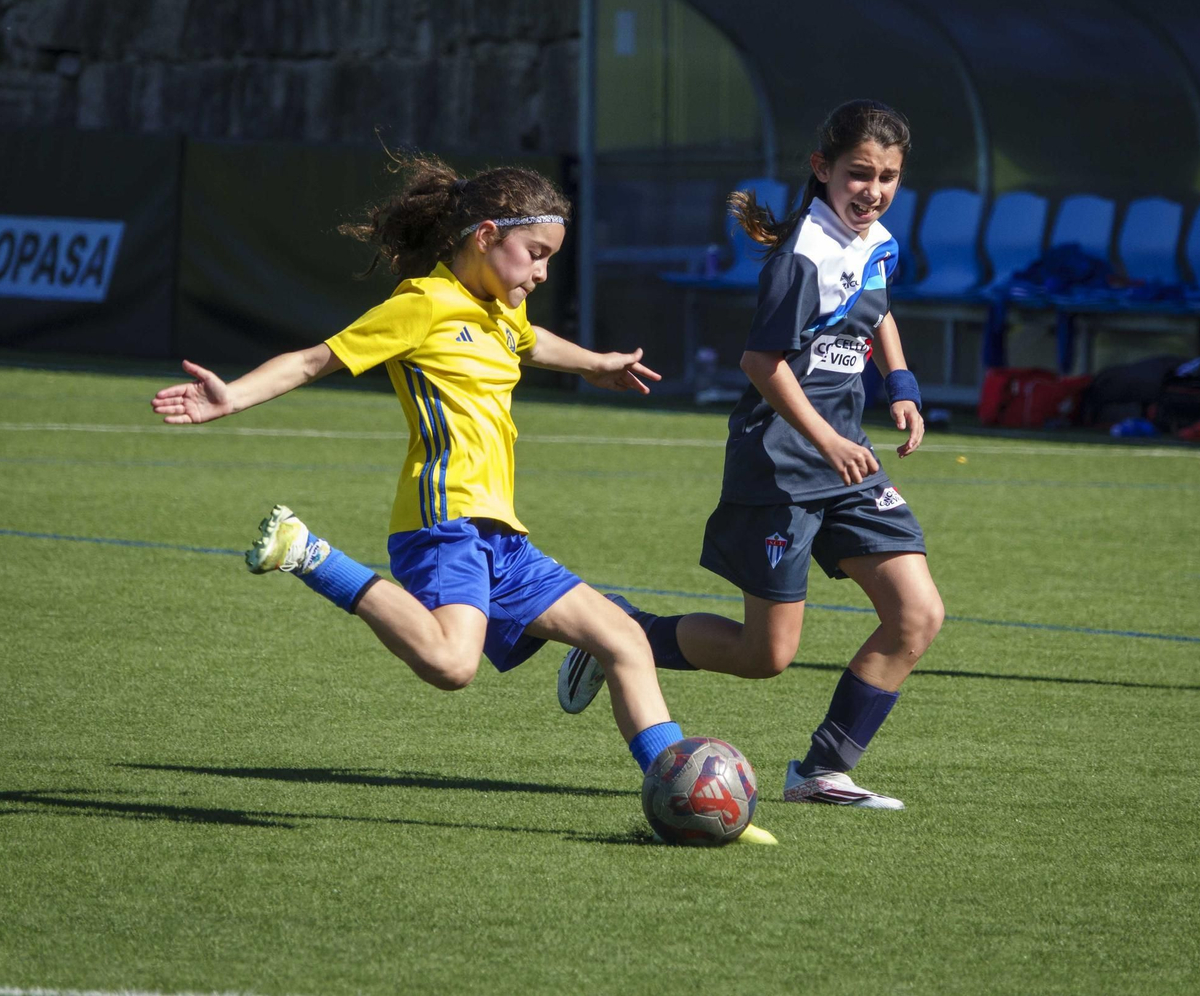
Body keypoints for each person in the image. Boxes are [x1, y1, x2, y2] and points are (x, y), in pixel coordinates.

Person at [149, 153, 771, 826]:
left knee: (625, 640)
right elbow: (313, 359)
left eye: (549, 260)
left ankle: (683, 794)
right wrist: (230, 395)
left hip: (499, 534)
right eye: (534, 254)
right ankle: (309, 553)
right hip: (443, 523)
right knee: (451, 664)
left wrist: (596, 364)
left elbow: (529, 343)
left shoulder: (497, 310)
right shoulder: (423, 304)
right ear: (485, 237)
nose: (540, 273)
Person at [558, 99, 943, 809]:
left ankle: (822, 771)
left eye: (889, 176)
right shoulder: (802, 257)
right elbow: (761, 362)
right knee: (766, 657)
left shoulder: (875, 239)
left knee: (917, 615)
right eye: (860, 174)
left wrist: (902, 387)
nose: (875, 190)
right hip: (781, 466)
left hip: (845, 462)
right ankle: (620, 633)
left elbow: (878, 303)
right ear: (822, 169)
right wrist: (826, 438)